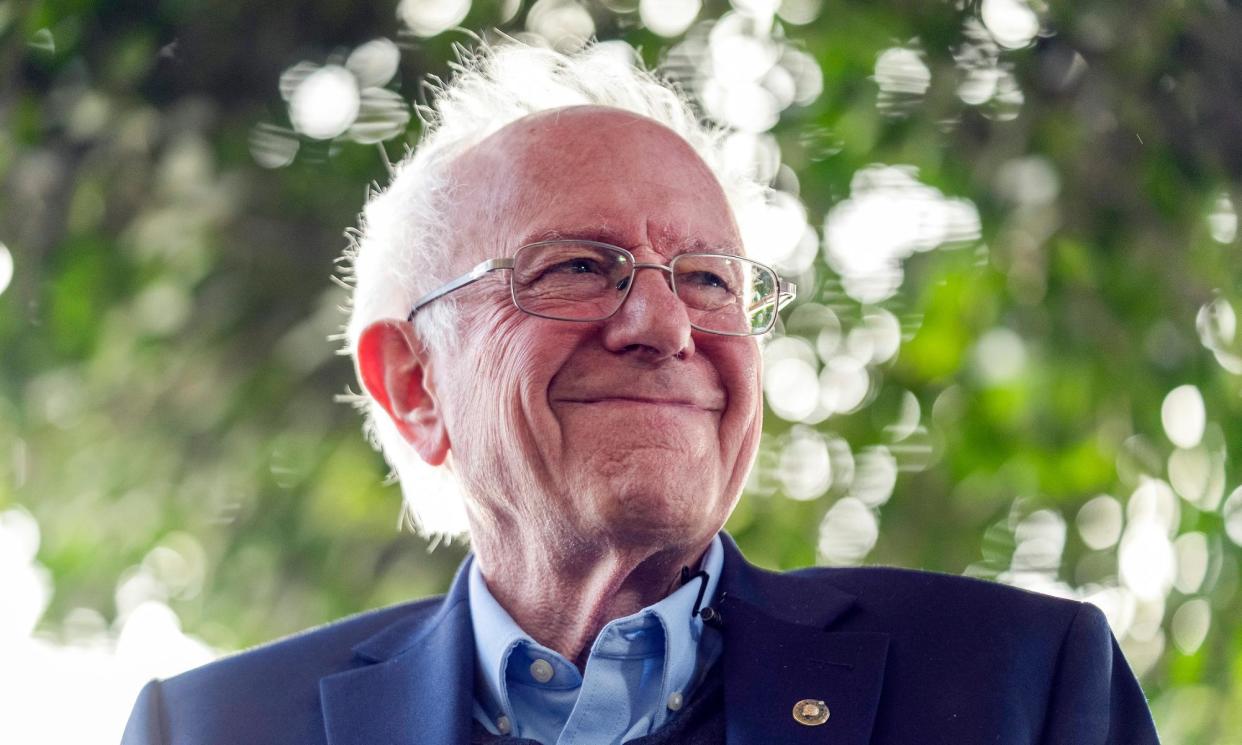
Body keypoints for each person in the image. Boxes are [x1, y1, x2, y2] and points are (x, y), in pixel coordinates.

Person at [121, 42, 1160, 745]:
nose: (666, 325)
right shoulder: (212, 729)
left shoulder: (1023, 689)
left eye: (708, 279)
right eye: (578, 266)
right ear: (414, 384)